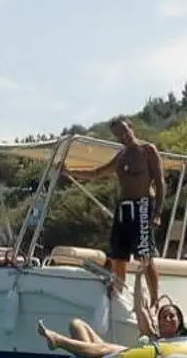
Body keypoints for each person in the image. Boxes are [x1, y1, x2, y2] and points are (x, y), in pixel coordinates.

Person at [67, 117, 165, 307]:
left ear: (132, 128)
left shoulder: (148, 150)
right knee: (118, 256)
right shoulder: (120, 156)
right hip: (124, 208)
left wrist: (158, 212)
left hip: (143, 205)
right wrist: (69, 171)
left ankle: (155, 300)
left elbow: (160, 181)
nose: (123, 136)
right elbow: (96, 173)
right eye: (118, 134)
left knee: (144, 255)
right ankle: (119, 297)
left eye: (125, 131)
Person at [37, 265, 185, 358]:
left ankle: (59, 341)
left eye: (171, 316)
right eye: (163, 316)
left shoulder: (185, 342)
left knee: (105, 348)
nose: (167, 319)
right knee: (76, 324)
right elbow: (139, 308)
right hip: (126, 355)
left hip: (123, 355)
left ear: (179, 321)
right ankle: (89, 357)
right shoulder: (153, 335)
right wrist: (139, 276)